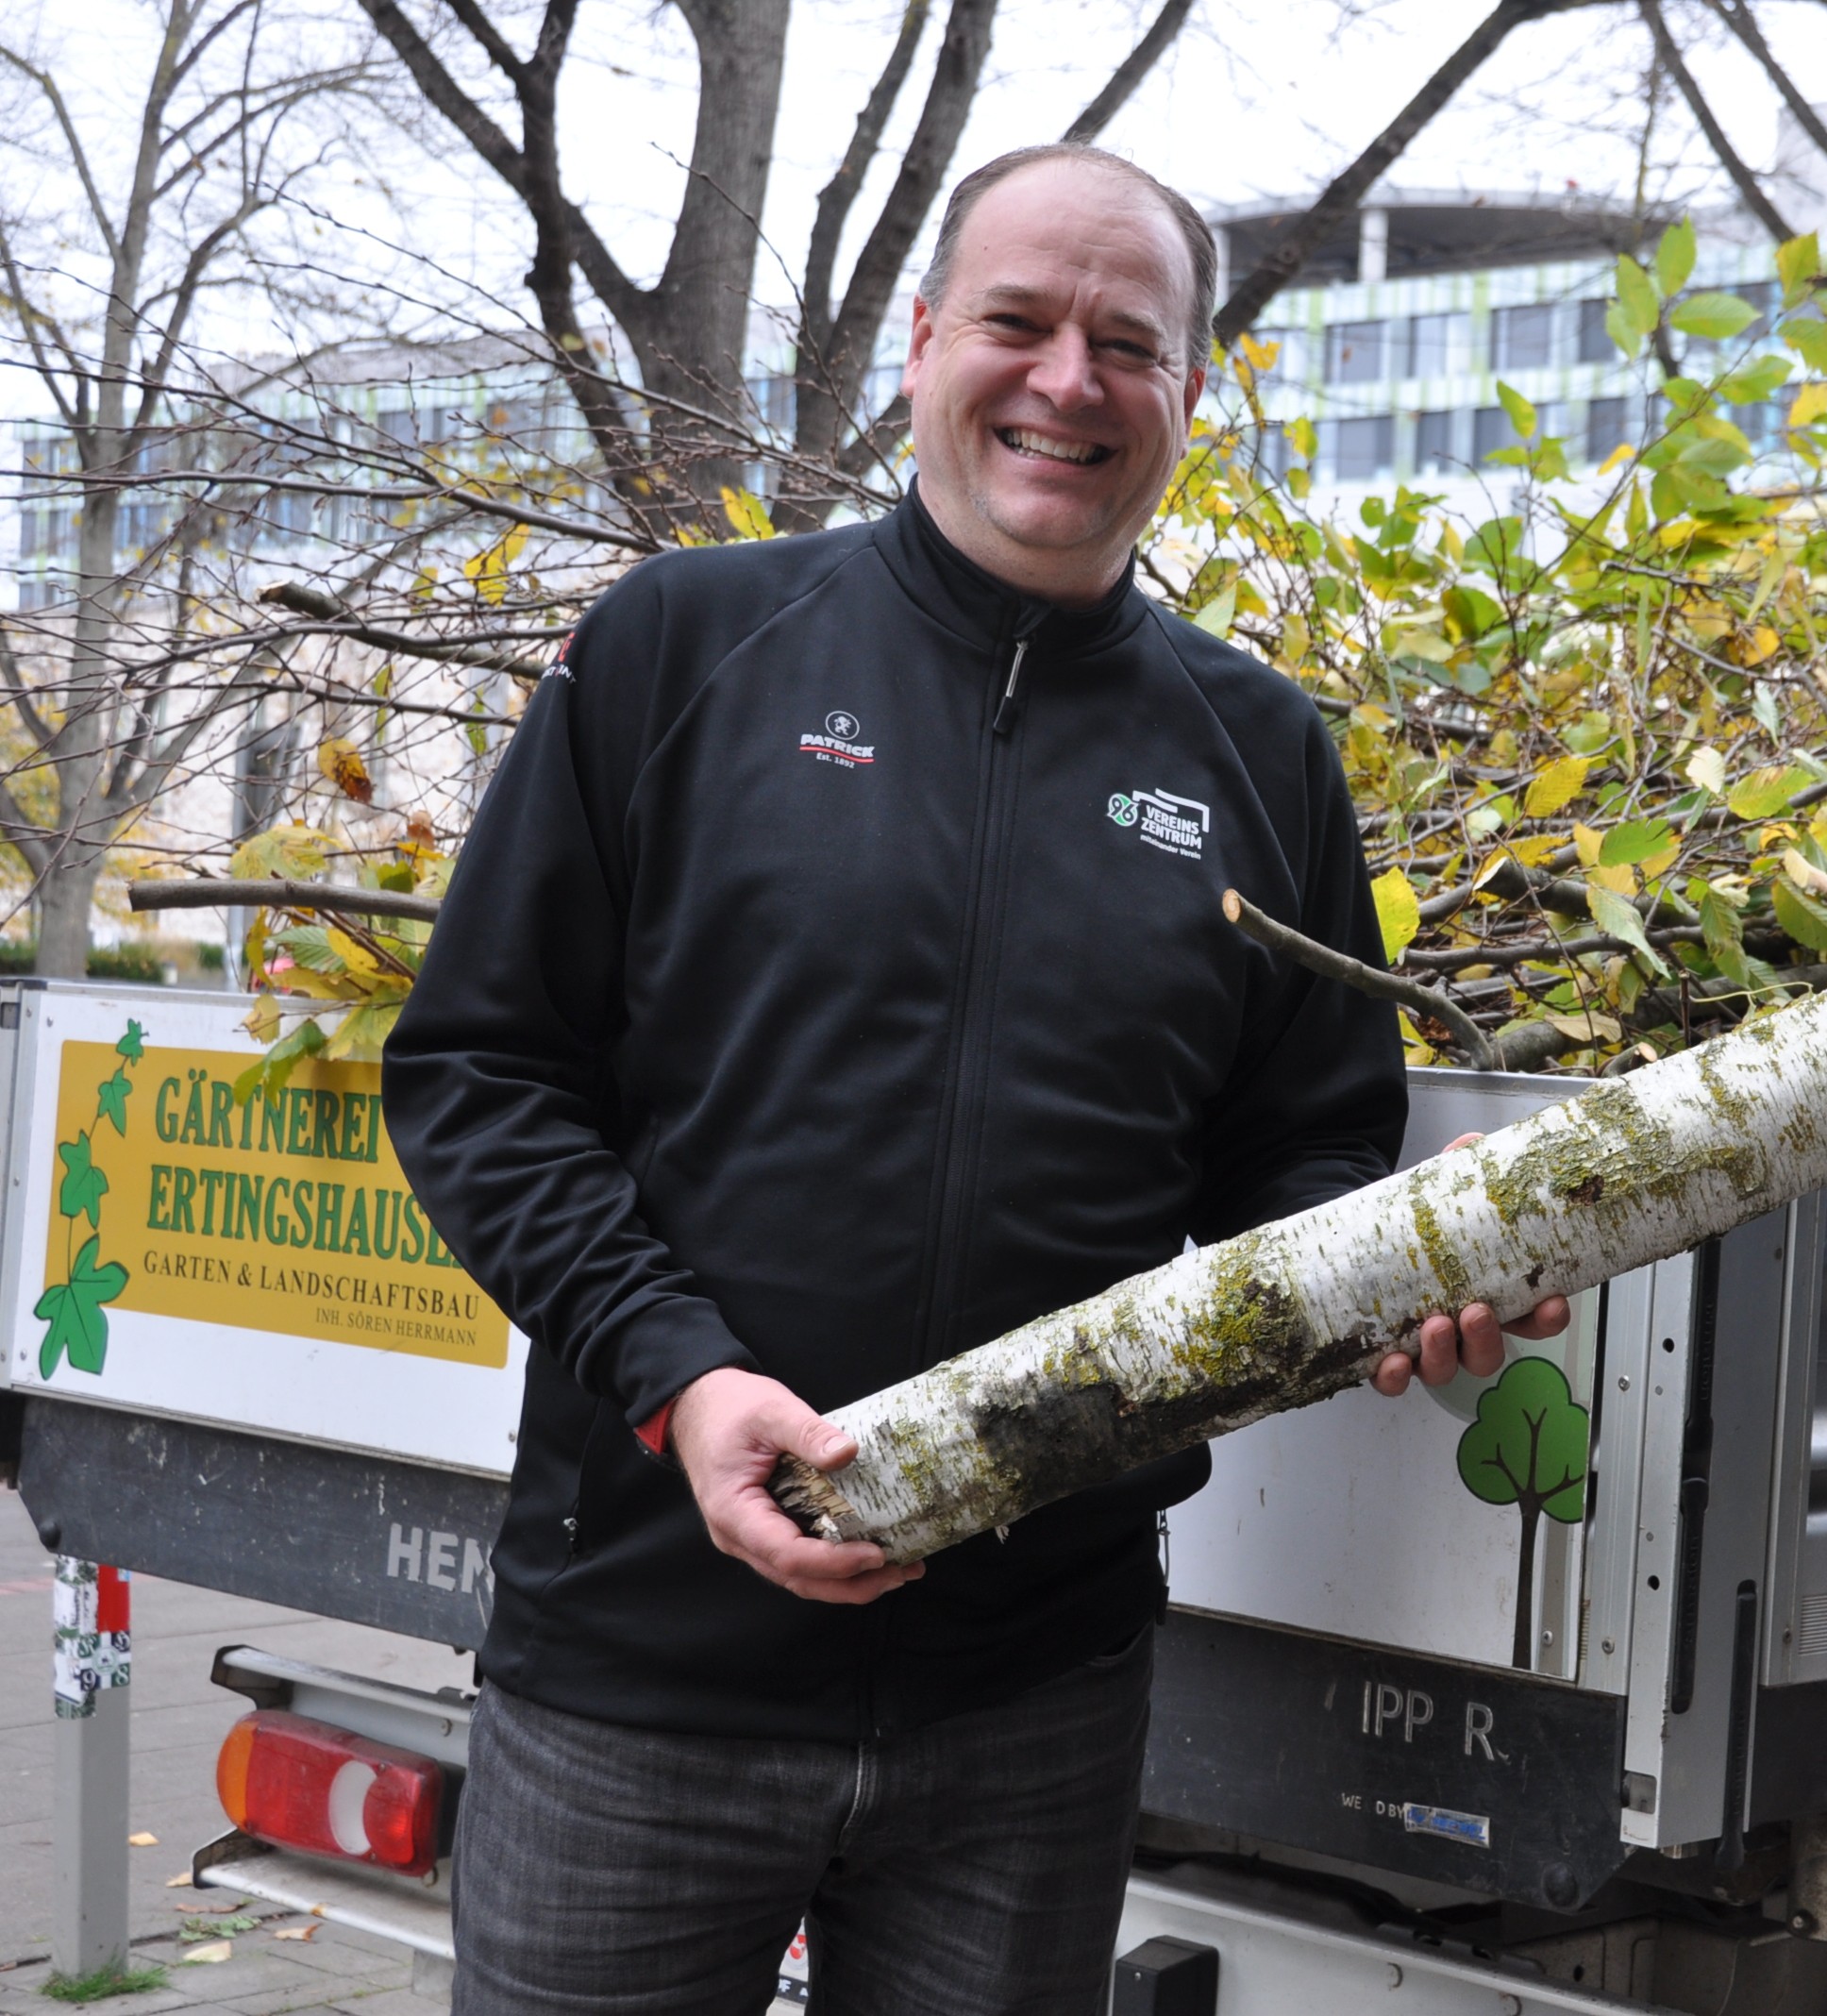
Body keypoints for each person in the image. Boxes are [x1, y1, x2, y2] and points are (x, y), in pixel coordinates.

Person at [383, 143, 1557, 2014]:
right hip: (643, 1679)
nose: (1068, 381)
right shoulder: (682, 648)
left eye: (1128, 342)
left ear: (1187, 392)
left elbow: (1309, 1143)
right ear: (923, 341)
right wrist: (677, 1378)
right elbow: (481, 1076)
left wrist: (1388, 1287)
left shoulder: (1261, 752)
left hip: (1037, 1701)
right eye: (1017, 321)